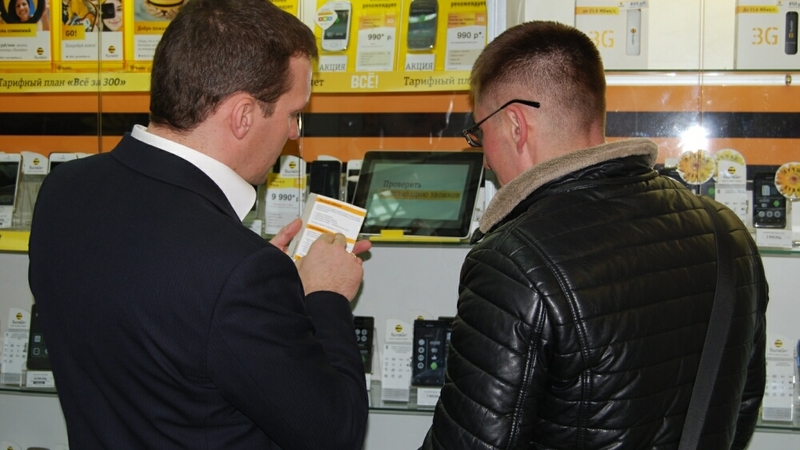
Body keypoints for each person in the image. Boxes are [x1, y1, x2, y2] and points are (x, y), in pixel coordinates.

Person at [28, 0, 370, 448]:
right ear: (243, 116)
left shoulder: (63, 191)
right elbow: (335, 433)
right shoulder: (237, 271)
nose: (294, 132)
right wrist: (325, 297)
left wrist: (260, 292)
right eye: (293, 114)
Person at [421, 21, 768, 450]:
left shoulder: (512, 262)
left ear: (515, 125)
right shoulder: (726, 233)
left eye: (480, 134)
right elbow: (742, 405)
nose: (487, 161)